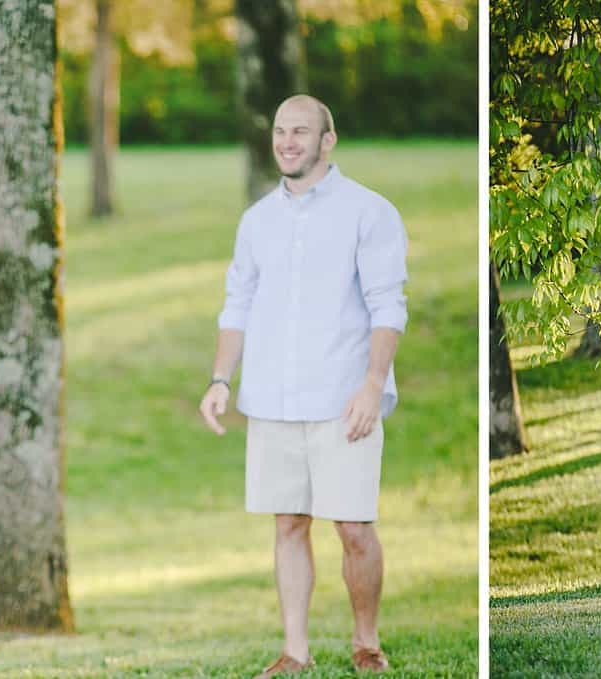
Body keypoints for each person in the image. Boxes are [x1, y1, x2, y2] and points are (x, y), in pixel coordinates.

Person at [199, 95, 407, 677]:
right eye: (281, 132)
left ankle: (366, 641)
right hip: (272, 400)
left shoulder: (369, 212)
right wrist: (221, 379)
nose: (288, 141)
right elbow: (236, 304)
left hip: (344, 400)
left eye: (301, 131)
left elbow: (388, 305)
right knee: (288, 523)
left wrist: (372, 385)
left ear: (327, 140)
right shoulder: (257, 221)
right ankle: (295, 651)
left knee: (354, 528)